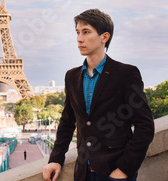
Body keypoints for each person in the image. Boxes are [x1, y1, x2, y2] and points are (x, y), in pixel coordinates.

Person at [42, 9, 155, 181]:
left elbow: (145, 125)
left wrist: (124, 169)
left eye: (86, 32)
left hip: (115, 172)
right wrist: (56, 158)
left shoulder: (126, 73)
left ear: (104, 37)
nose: (79, 38)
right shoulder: (71, 76)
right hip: (83, 173)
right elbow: (67, 122)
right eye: (77, 33)